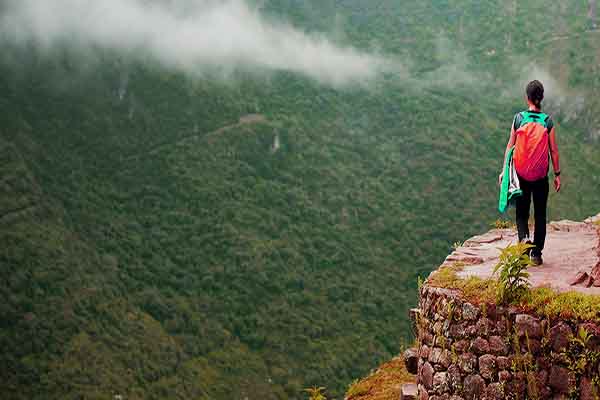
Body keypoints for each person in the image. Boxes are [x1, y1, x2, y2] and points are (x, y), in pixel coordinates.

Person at [499, 80, 561, 265]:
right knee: (540, 213)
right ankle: (536, 254)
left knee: (522, 213)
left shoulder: (518, 119)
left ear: (527, 98)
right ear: (541, 98)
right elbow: (554, 151)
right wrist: (557, 174)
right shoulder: (547, 121)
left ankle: (524, 244)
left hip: (521, 174)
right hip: (541, 177)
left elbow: (510, 146)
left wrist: (504, 172)